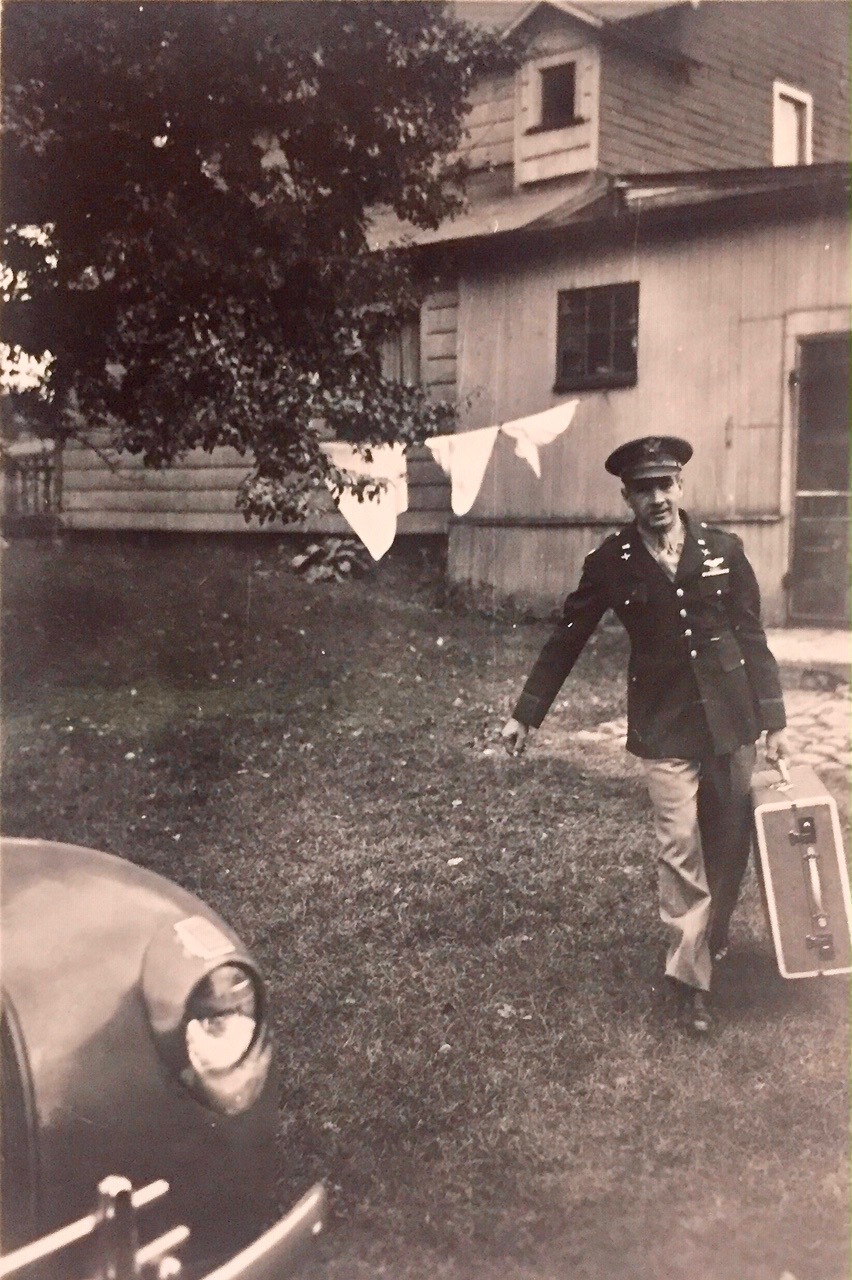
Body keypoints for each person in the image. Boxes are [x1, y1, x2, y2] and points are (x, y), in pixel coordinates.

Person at [501, 436, 791, 1034]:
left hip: (732, 721)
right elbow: (567, 638)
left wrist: (776, 722)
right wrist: (526, 713)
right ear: (627, 496)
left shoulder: (724, 551)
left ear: (681, 486)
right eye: (643, 489)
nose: (656, 498)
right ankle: (691, 983)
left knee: (728, 844)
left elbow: (753, 639)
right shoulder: (611, 563)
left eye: (665, 485)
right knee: (678, 846)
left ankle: (715, 936)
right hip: (664, 728)